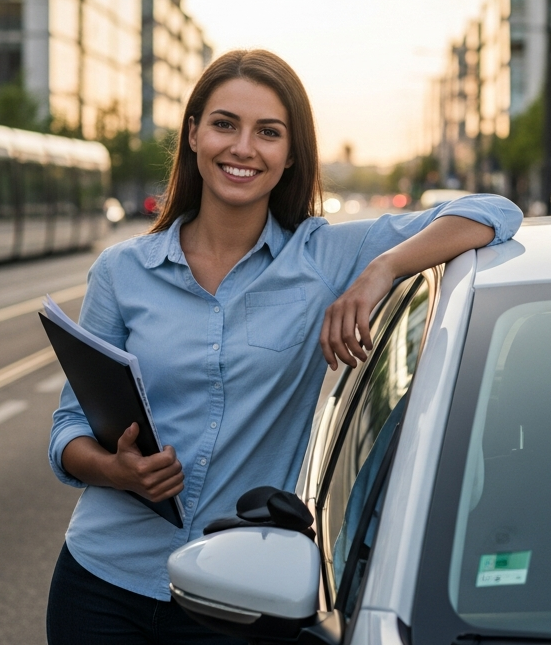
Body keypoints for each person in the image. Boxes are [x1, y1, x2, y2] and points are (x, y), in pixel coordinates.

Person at [45, 49, 522, 644]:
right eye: (224, 124)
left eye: (268, 133)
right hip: (99, 584)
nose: (243, 148)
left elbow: (493, 213)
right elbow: (67, 430)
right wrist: (117, 470)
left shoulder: (324, 257)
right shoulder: (122, 271)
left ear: (291, 153)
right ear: (192, 134)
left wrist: (380, 270)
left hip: (236, 594)